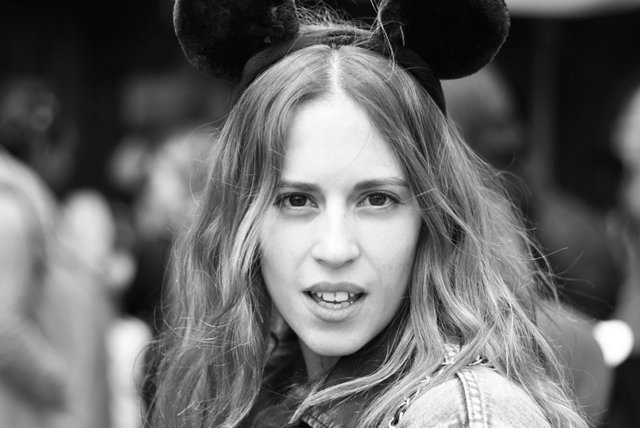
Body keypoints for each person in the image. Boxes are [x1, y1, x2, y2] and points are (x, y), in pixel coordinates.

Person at [148, 0, 589, 426]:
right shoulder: (258, 390)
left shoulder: (460, 416)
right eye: (297, 200)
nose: (336, 249)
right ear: (241, 218)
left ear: (434, 218)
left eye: (377, 199)